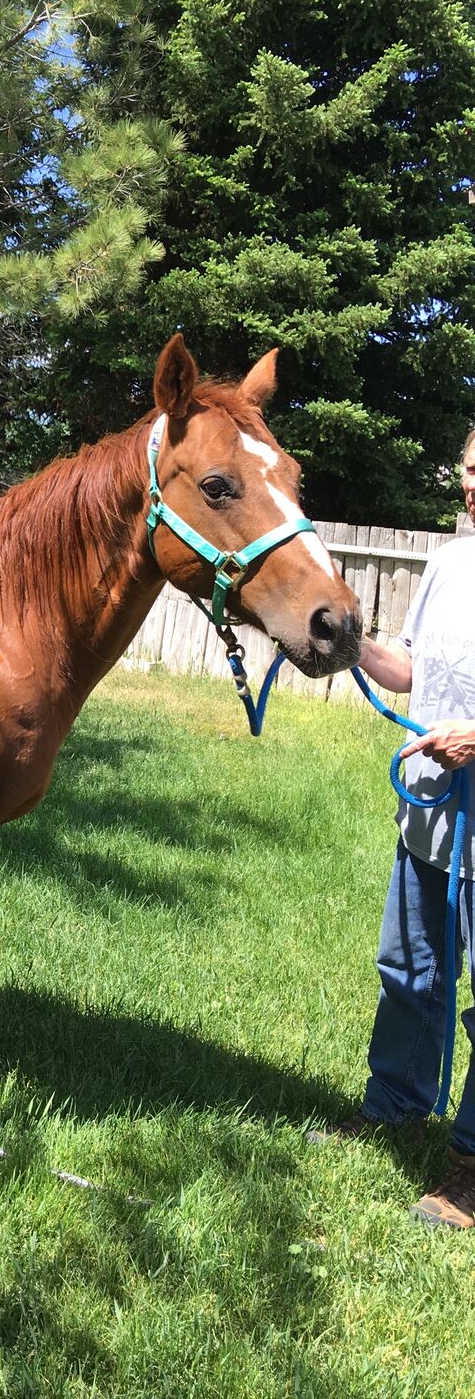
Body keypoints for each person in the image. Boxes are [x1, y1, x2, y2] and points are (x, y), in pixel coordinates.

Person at [312, 427, 475, 1227]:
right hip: (428, 816)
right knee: (407, 970)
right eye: (470, 472)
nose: (472, 488)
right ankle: (395, 1107)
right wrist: (357, 645)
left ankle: (469, 1166)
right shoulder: (448, 563)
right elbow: (413, 667)